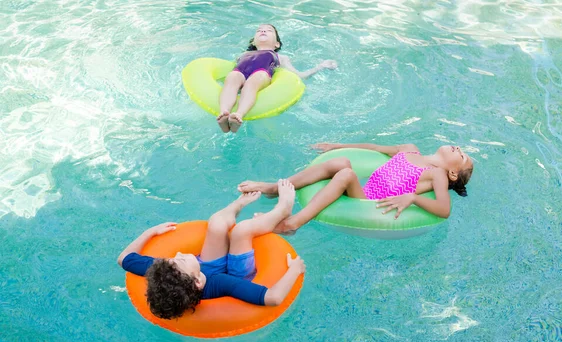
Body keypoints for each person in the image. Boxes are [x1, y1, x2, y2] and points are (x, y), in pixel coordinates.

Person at [117, 179, 305, 320]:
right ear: (197, 281)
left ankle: (237, 205)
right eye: (181, 259)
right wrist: (295, 269)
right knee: (242, 231)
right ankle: (283, 209)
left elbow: (124, 258)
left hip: (205, 266)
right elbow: (273, 297)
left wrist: (150, 232)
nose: (178, 254)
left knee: (216, 223)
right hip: (236, 276)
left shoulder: (166, 270)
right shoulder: (222, 283)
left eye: (173, 259)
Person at [237, 142, 474, 234]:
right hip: (366, 189)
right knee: (342, 162)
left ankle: (292, 223)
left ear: (453, 173)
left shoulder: (436, 175)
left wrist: (412, 198)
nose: (458, 149)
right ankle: (272, 188)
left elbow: (444, 209)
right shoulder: (409, 149)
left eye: (462, 156)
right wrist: (337, 146)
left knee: (347, 174)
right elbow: (372, 148)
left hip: (368, 204)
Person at [217, 24, 337, 133]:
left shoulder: (281, 57)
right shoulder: (242, 55)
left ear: (277, 44)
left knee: (254, 80)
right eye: (259, 30)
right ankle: (224, 113)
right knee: (232, 76)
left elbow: (299, 75)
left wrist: (319, 67)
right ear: (253, 42)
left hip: (261, 74)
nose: (263, 31)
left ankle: (239, 114)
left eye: (269, 31)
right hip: (240, 73)